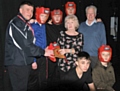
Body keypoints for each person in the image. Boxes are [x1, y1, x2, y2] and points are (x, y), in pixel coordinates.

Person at [4, 1, 53, 91]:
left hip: (23, 63)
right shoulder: (17, 23)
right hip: (17, 64)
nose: (30, 13)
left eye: (31, 10)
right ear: (20, 10)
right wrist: (43, 52)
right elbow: (26, 45)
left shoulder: (24, 24)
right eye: (27, 10)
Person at [27, 7, 50, 91]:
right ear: (37, 15)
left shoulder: (45, 26)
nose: (44, 18)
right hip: (35, 56)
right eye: (42, 16)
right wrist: (33, 61)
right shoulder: (31, 26)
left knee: (43, 79)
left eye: (46, 16)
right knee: (33, 80)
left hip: (44, 55)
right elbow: (30, 44)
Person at [57, 15, 83, 79]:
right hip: (63, 64)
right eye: (68, 22)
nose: (70, 24)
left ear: (76, 24)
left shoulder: (80, 35)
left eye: (72, 22)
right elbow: (59, 47)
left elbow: (78, 50)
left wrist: (66, 50)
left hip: (75, 64)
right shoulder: (61, 34)